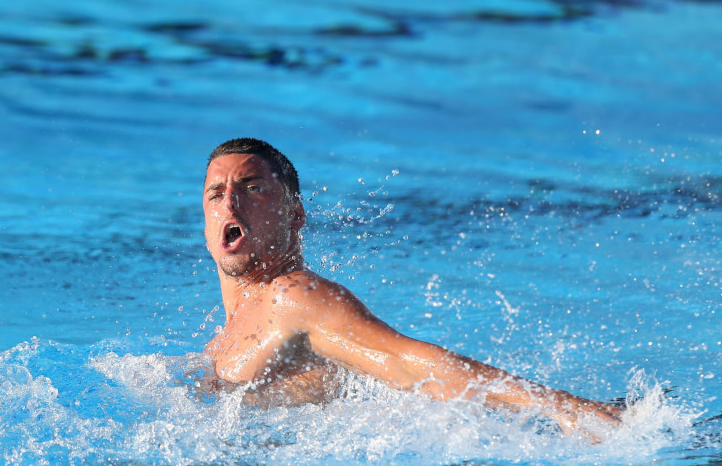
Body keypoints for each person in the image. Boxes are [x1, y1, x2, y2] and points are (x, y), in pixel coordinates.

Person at [201, 137, 623, 436]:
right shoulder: (224, 339)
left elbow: (410, 362)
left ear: (295, 215)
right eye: (216, 194)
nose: (230, 203)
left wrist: (565, 407)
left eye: (252, 188)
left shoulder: (294, 298)